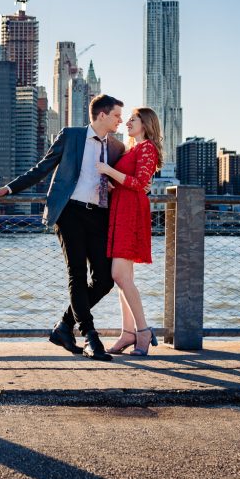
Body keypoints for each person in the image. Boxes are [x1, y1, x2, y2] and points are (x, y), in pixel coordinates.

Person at [0, 94, 126, 361]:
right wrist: (9, 188)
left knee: (105, 279)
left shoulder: (117, 148)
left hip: (99, 217)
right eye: (117, 115)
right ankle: (91, 337)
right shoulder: (71, 136)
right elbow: (42, 168)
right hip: (69, 212)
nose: (120, 120)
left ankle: (64, 326)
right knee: (77, 274)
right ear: (102, 115)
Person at [94, 107, 163, 356]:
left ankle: (142, 331)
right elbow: (127, 181)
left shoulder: (148, 148)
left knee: (120, 276)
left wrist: (108, 170)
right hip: (120, 211)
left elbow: (140, 184)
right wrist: (112, 185)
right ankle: (128, 333)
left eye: (132, 119)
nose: (127, 123)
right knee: (124, 278)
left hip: (131, 214)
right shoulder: (132, 149)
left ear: (145, 123)